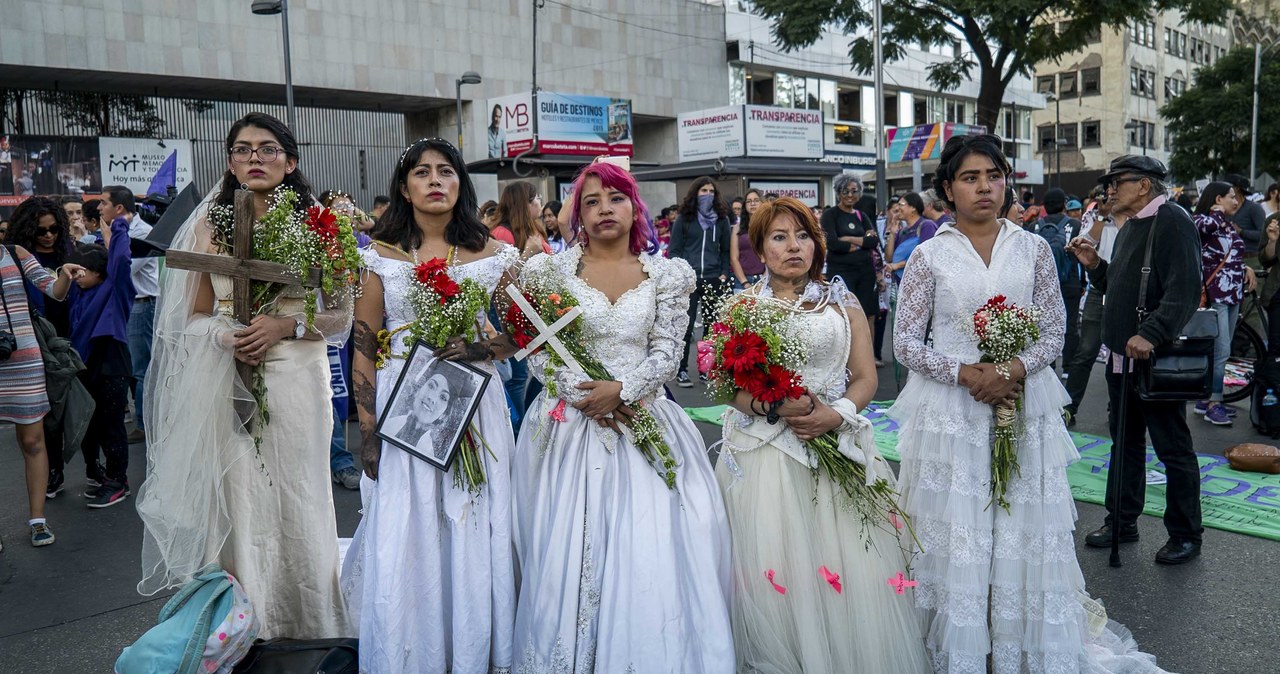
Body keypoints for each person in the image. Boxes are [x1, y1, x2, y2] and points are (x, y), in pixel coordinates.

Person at [894, 136, 1170, 671]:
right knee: (959, 526)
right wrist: (965, 373)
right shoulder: (928, 255)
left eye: (993, 176)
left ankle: (1018, 638)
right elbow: (906, 342)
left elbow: (1053, 330)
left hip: (1023, 400)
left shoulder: (1034, 248)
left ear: (1006, 182)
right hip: (951, 410)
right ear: (948, 188)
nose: (984, 187)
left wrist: (1011, 371)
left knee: (1019, 518)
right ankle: (960, 644)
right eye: (970, 178)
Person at [506, 158, 734, 672]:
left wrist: (623, 391)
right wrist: (588, 395)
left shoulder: (668, 274)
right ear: (576, 214)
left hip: (645, 417)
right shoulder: (548, 271)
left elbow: (667, 351)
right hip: (570, 424)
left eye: (615, 198)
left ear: (636, 208)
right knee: (567, 544)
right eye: (591, 201)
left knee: (652, 543)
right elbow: (540, 351)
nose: (604, 209)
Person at [136, 112, 353, 638]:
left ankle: (310, 626)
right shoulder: (211, 223)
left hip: (298, 378)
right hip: (228, 376)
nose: (254, 157)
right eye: (242, 149)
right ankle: (246, 627)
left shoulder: (319, 224)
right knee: (242, 500)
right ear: (230, 161)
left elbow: (341, 314)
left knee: (299, 494)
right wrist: (222, 335)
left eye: (267, 148)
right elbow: (191, 314)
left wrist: (286, 323)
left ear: (291, 160)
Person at [716, 197, 929, 673]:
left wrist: (836, 415)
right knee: (776, 561)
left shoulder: (842, 300)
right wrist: (771, 407)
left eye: (803, 235)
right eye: (779, 237)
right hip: (766, 452)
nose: (794, 246)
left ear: (817, 243)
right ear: (759, 248)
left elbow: (866, 377)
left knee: (846, 564)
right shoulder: (742, 306)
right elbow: (726, 387)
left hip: (837, 444)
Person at [343, 137, 519, 673]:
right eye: (422, 172)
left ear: (461, 184)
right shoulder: (380, 255)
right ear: (405, 187)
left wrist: (479, 347)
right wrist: (368, 430)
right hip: (404, 403)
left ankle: (473, 650)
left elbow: (523, 333)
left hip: (475, 400)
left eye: (446, 171)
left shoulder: (496, 255)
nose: (435, 180)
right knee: (410, 523)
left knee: (473, 517)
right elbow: (364, 343)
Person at [1068, 155, 1203, 565]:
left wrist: (1151, 333)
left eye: (1115, 182)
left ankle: (1185, 534)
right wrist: (1095, 266)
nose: (1108, 190)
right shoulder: (1131, 224)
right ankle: (1121, 521)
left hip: (1151, 359)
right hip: (1121, 360)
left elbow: (1185, 290)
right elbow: (1121, 285)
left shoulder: (1173, 220)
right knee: (1125, 443)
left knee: (1172, 448)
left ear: (1143, 185)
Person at [0, 243, 83, 547]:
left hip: (24, 361)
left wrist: (64, 273)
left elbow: (54, 290)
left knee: (33, 441)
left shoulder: (15, 253)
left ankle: (38, 521)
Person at [8, 197, 78, 499]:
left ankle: (88, 470)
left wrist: (66, 274)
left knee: (71, 407)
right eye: (41, 231)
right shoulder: (17, 257)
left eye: (53, 229)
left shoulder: (69, 251)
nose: (48, 235)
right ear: (28, 230)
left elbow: (58, 291)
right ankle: (53, 473)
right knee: (44, 421)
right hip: (33, 342)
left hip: (67, 338)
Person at [66, 213, 135, 508]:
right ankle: (101, 475)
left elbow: (119, 262)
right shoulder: (76, 293)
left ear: (100, 271)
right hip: (86, 367)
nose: (77, 275)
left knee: (111, 426)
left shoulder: (115, 290)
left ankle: (119, 481)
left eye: (83, 270)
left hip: (112, 367)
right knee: (90, 427)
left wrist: (119, 227)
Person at [100, 185, 158, 445]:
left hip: (141, 305)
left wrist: (109, 242)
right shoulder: (117, 231)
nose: (99, 208)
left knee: (141, 369)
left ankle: (145, 425)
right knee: (131, 367)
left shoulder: (142, 233)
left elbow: (122, 269)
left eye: (103, 203)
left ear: (119, 208)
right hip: (128, 306)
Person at [1192, 182, 1253, 426]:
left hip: (1232, 295)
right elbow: (1205, 230)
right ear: (1218, 199)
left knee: (1219, 351)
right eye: (1231, 197)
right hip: (1215, 296)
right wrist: (1216, 211)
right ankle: (1214, 404)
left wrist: (1246, 267)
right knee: (1221, 351)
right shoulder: (1203, 220)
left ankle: (1205, 401)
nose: (1236, 201)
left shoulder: (1227, 224)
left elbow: (1231, 253)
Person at [1063, 191, 1121, 426]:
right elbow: (1086, 245)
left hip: (1124, 287)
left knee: (1120, 354)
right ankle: (1069, 407)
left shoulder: (1135, 215)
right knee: (1086, 350)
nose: (1113, 196)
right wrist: (1103, 217)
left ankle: (1117, 409)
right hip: (1099, 287)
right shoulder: (1092, 215)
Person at [669, 176, 732, 387]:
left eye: (711, 191)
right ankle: (682, 370)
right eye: (703, 190)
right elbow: (675, 250)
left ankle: (706, 370)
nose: (707, 194)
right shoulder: (684, 219)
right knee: (685, 327)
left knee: (710, 327)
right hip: (689, 280)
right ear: (695, 193)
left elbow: (725, 250)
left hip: (714, 278)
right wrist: (681, 274)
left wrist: (724, 272)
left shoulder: (721, 220)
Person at [1037, 187, 1086, 370]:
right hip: (1070, 281)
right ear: (1064, 205)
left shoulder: (1035, 226)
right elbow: (1080, 257)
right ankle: (1068, 365)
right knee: (1070, 325)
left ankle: (1048, 365)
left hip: (1043, 285)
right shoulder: (1074, 225)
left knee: (1044, 326)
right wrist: (1083, 283)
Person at [821, 174, 879, 320]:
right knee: (844, 314)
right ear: (838, 193)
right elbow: (833, 243)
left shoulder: (862, 215)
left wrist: (848, 239)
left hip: (865, 272)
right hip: (841, 272)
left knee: (866, 315)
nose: (850, 195)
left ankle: (867, 343)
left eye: (854, 191)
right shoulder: (830, 215)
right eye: (845, 191)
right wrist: (862, 242)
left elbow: (873, 242)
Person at [729, 188, 766, 287]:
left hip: (766, 279)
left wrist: (764, 279)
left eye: (756, 200)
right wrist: (744, 282)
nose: (752, 204)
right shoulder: (737, 228)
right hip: (741, 280)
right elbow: (734, 258)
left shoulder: (769, 226)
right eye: (748, 201)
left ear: (762, 203)